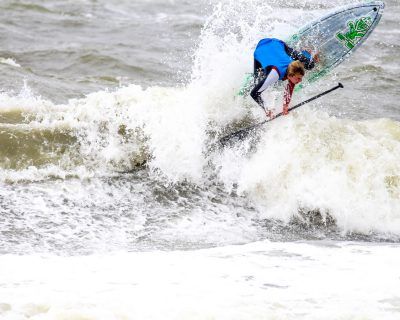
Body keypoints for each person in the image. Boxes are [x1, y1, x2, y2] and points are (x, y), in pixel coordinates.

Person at [250, 38, 318, 118]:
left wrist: (285, 105)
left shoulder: (293, 65)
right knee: (257, 84)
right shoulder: (275, 74)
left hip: (277, 44)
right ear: (290, 75)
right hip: (261, 49)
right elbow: (254, 93)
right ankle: (305, 53)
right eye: (298, 78)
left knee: (310, 64)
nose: (300, 81)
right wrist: (267, 110)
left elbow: (291, 85)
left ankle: (306, 52)